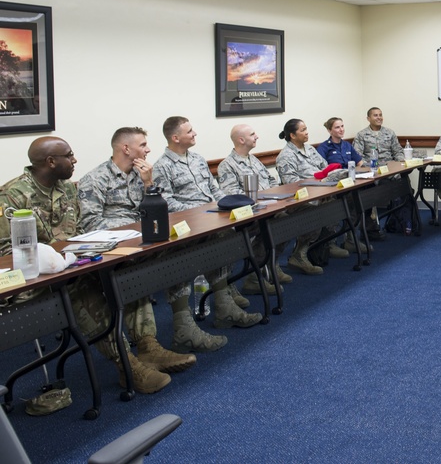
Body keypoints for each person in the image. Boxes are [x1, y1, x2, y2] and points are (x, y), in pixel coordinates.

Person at [0, 136, 172, 395]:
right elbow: (5, 250)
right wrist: (53, 259)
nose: (74, 160)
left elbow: (79, 230)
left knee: (125, 273)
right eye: (68, 156)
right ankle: (126, 365)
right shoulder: (12, 195)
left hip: (74, 263)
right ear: (50, 161)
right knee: (81, 288)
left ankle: (148, 346)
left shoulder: (67, 188)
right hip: (38, 277)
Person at [76, 128, 195, 392]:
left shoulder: (142, 176)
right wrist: (134, 227)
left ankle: (150, 346)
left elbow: (158, 210)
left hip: (139, 249)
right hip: (113, 253)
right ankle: (129, 360)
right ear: (125, 149)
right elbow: (89, 223)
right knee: (128, 277)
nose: (148, 150)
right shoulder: (95, 180)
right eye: (143, 145)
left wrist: (149, 185)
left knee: (177, 255)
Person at [152, 116, 260, 351]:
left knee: (227, 241)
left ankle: (224, 307)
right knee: (181, 259)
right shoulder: (162, 166)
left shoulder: (198, 159)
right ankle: (185, 327)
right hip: (189, 225)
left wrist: (228, 205)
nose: (195, 134)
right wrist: (199, 213)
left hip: (213, 218)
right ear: (175, 137)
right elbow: (166, 200)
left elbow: (214, 189)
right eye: (190, 131)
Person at [275, 119, 363, 273]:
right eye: (302, 130)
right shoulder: (286, 156)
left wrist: (335, 175)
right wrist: (320, 181)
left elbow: (325, 167)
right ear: (292, 135)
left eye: (306, 128)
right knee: (317, 211)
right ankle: (300, 254)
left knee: (342, 202)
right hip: (304, 197)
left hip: (322, 191)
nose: (307, 132)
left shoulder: (309, 149)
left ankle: (328, 243)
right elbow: (292, 183)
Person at [216, 123, 292, 293]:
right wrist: (262, 199)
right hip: (249, 217)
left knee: (286, 222)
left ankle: (272, 265)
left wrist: (273, 196)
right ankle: (254, 276)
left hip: (269, 208)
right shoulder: (227, 165)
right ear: (241, 140)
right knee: (266, 229)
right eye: (252, 134)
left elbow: (272, 181)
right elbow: (232, 195)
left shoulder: (254, 159)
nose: (256, 136)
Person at [317, 116, 383, 242]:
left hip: (352, 183)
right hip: (336, 186)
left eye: (342, 126)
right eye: (337, 127)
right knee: (352, 201)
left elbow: (359, 163)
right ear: (330, 131)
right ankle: (336, 241)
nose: (341, 130)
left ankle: (355, 235)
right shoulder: (324, 148)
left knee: (369, 190)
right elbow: (323, 171)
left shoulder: (347, 145)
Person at [352, 107, 413, 235]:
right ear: (368, 118)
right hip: (372, 173)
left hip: (390, 171)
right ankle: (372, 226)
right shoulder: (361, 135)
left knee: (403, 186)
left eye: (380, 115)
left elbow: (397, 152)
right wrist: (370, 168)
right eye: (375, 115)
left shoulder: (389, 133)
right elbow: (358, 156)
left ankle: (402, 222)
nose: (379, 117)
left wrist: (401, 165)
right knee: (368, 192)